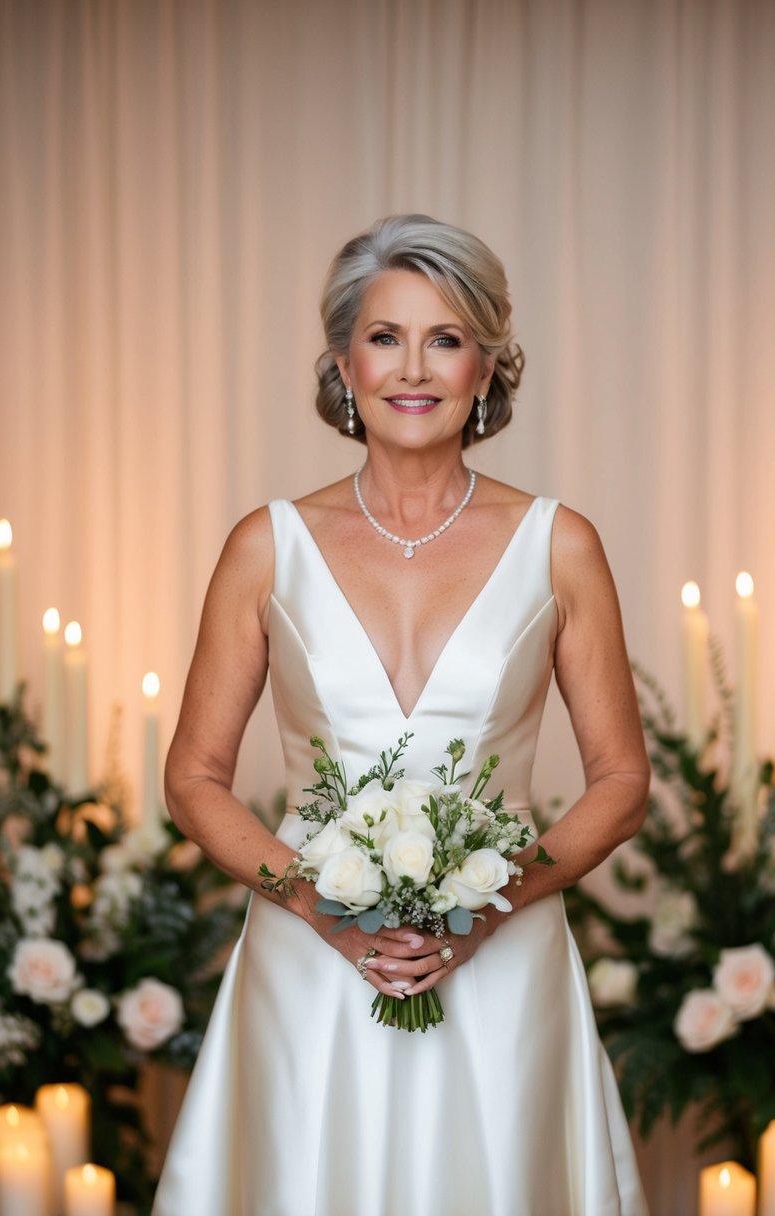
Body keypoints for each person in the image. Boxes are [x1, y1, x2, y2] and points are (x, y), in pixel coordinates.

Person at [152, 214, 650, 1216]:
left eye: (445, 337)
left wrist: (490, 908)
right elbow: (194, 776)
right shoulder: (268, 545)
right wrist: (313, 904)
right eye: (384, 337)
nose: (411, 367)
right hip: (313, 966)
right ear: (342, 362)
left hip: (503, 969)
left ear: (486, 366)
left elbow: (622, 780)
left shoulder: (560, 544)